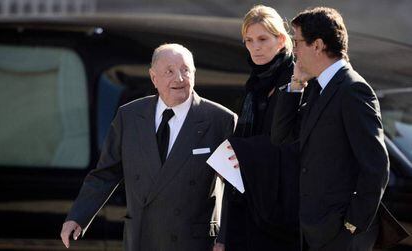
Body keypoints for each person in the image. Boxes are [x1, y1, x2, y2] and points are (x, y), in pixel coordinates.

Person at [60, 43, 237, 251]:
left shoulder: (220, 120)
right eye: (169, 71)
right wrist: (78, 216)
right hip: (143, 236)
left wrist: (224, 239)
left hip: (194, 242)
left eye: (185, 70)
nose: (179, 78)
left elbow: (234, 189)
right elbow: (106, 174)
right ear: (154, 78)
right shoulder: (129, 116)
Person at [273, 7, 391, 251]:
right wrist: (296, 84)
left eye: (297, 43)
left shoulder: (353, 89)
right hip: (314, 230)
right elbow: (282, 137)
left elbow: (376, 166)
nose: (293, 51)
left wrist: (352, 225)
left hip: (341, 235)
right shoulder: (318, 86)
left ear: (317, 45)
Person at [214, 5, 303, 251]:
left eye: (263, 39)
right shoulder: (254, 84)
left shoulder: (296, 79)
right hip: (249, 207)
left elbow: (289, 143)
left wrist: (239, 149)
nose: (256, 47)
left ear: (282, 40)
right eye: (249, 40)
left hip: (282, 217)